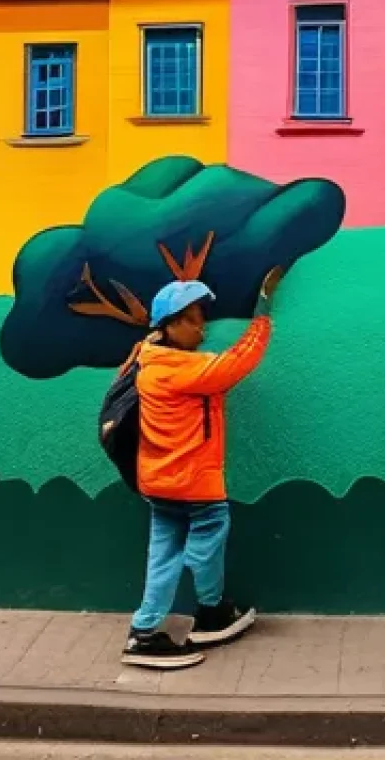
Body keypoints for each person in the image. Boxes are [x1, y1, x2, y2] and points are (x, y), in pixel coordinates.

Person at [119, 266, 284, 670]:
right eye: (193, 320)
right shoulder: (184, 370)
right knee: (206, 542)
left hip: (159, 481)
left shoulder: (148, 360)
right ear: (171, 325)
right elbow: (240, 361)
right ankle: (211, 611)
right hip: (193, 482)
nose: (202, 329)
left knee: (163, 553)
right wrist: (263, 310)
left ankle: (145, 630)